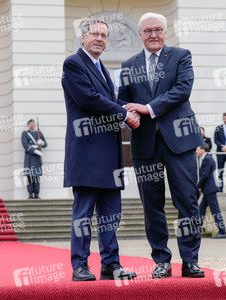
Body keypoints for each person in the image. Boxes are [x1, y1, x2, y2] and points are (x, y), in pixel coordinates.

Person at [119, 12, 205, 278]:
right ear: (140, 34)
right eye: (147, 31)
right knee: (151, 206)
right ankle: (162, 261)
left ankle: (190, 261)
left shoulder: (181, 56)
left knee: (188, 202)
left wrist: (147, 108)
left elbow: (183, 90)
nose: (153, 34)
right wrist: (127, 113)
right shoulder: (127, 64)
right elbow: (123, 100)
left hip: (180, 141)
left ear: (165, 33)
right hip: (145, 145)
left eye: (157, 30)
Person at [61, 18, 139, 282]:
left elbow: (108, 100)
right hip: (86, 152)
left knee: (110, 215)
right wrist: (123, 114)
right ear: (83, 37)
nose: (100, 39)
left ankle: (111, 264)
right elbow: (88, 99)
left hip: (109, 154)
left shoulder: (103, 69)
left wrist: (131, 108)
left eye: (104, 36)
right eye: (95, 34)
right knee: (83, 214)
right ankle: (80, 265)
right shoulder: (74, 63)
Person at [196, 144, 226, 239]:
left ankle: (222, 232)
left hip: (210, 189)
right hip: (208, 189)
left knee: (215, 211)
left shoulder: (208, 159)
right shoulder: (207, 158)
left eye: (197, 149)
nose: (196, 151)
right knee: (201, 209)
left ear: (202, 149)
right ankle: (197, 230)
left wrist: (199, 186)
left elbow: (205, 175)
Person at [21, 119, 47, 199]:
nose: (32, 125)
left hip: (36, 159)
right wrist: (35, 151)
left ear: (35, 125)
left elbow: (45, 144)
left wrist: (41, 143)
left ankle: (36, 194)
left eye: (33, 123)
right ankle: (30, 194)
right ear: (28, 125)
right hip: (29, 156)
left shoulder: (39, 133)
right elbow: (25, 144)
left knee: (36, 176)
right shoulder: (25, 133)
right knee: (29, 176)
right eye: (30, 124)